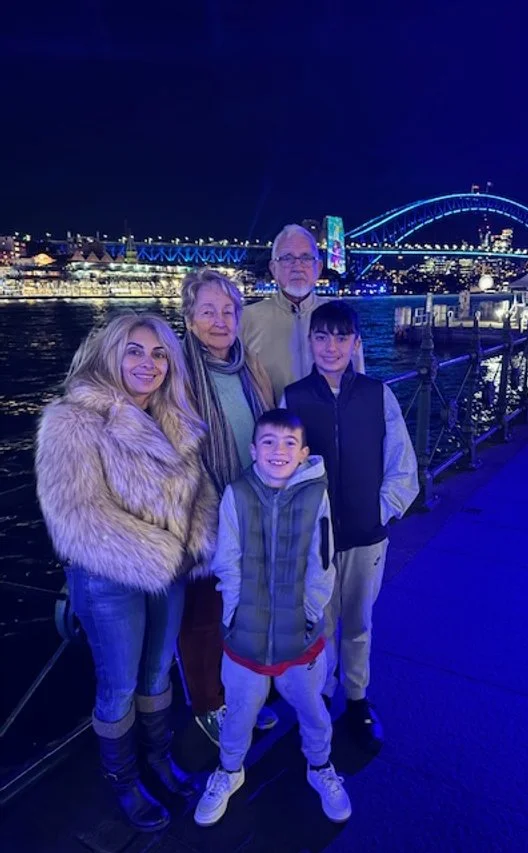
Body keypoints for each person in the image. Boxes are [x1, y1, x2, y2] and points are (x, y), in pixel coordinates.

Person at [35, 313, 218, 832]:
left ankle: (158, 758)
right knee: (117, 686)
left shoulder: (173, 414)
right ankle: (124, 780)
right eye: (135, 351)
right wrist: (164, 550)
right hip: (110, 577)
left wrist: (201, 538)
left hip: (170, 568)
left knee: (159, 670)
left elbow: (195, 490)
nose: (149, 364)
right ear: (111, 353)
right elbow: (77, 515)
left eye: (159, 354)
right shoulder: (72, 419)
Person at [193, 409, 351, 827]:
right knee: (240, 710)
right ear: (253, 449)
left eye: (287, 444)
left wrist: (311, 613)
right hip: (244, 636)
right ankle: (229, 770)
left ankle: (320, 767)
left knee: (312, 709)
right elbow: (227, 562)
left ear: (303, 454)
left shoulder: (317, 497)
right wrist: (233, 618)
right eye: (268, 442)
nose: (277, 452)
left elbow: (322, 561)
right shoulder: (237, 494)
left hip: (300, 637)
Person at [283, 300, 419, 753]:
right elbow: (279, 468)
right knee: (320, 622)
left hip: (365, 534)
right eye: (322, 337)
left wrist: (380, 511)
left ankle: (357, 696)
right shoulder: (294, 397)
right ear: (310, 343)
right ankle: (321, 693)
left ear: (357, 343)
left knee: (359, 620)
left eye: (342, 337)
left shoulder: (379, 394)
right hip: (315, 540)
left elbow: (403, 464)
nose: (331, 346)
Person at [178, 269, 278, 745]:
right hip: (201, 513)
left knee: (241, 611)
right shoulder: (175, 369)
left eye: (229, 310)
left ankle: (241, 696)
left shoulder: (249, 365)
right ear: (189, 319)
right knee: (203, 615)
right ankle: (207, 705)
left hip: (251, 508)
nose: (220, 321)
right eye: (208, 311)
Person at [242, 223, 365, 401]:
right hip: (272, 426)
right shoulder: (246, 319)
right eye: (287, 258)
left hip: (331, 427)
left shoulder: (340, 316)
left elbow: (358, 379)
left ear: (319, 268)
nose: (297, 266)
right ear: (273, 268)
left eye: (306, 257)